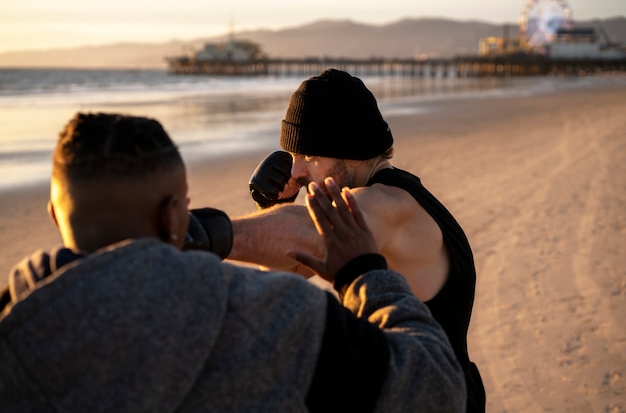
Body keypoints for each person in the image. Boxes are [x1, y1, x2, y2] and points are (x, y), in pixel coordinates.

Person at [0, 112, 465, 412]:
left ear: (55, 213)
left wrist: (215, 231)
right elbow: (436, 390)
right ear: (174, 213)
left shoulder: (12, 327)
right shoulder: (275, 316)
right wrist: (363, 274)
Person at [232, 68, 486, 412]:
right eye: (292, 157)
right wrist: (275, 206)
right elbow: (286, 275)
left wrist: (196, 234)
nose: (296, 172)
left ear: (350, 152)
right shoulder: (393, 195)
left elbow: (303, 231)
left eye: (309, 157)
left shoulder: (388, 206)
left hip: (432, 398)